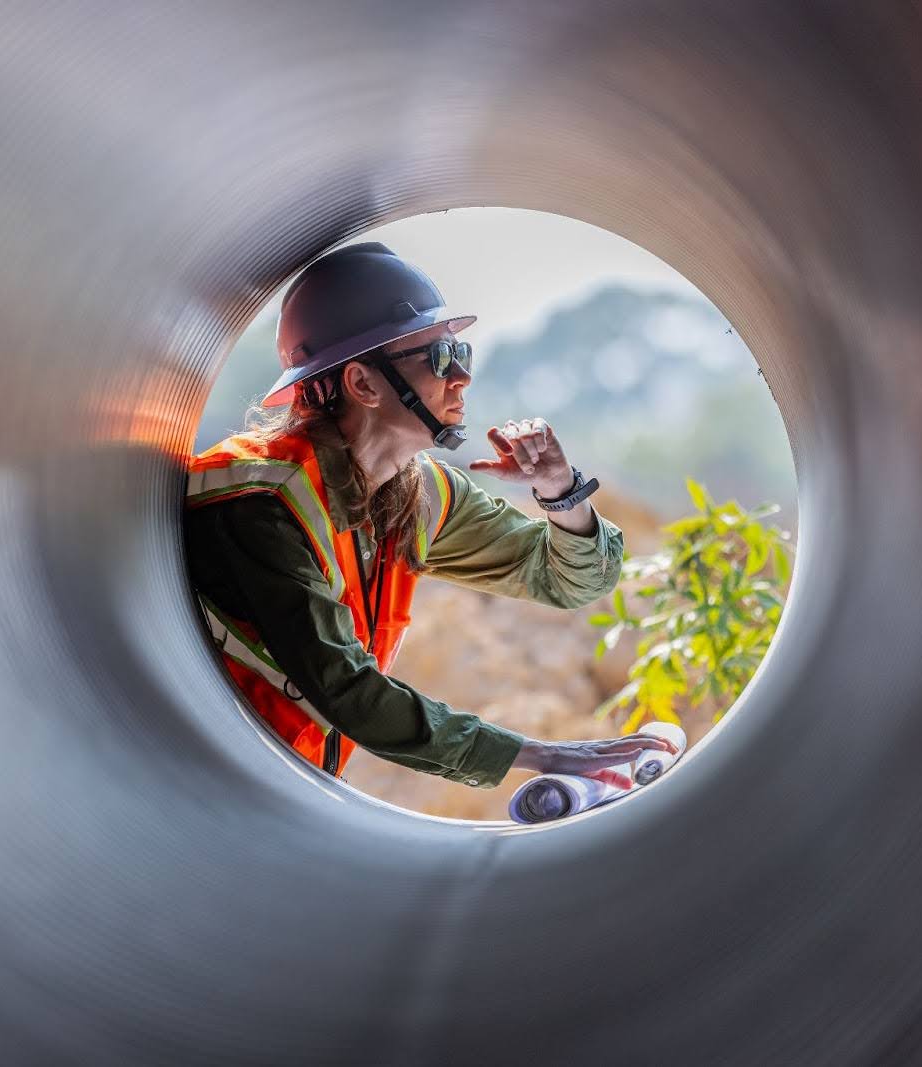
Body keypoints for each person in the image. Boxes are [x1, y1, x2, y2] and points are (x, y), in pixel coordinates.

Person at [185, 242, 675, 789]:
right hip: (200, 780)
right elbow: (347, 692)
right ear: (363, 385)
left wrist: (559, 491)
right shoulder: (263, 501)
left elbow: (571, 581)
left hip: (278, 782)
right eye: (440, 360)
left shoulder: (417, 493)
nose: (461, 378)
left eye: (461, 354)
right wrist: (543, 756)